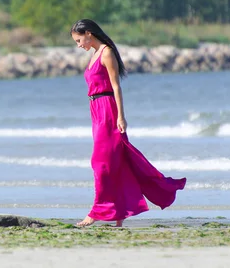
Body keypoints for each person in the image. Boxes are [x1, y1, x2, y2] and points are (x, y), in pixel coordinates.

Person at [70, 19, 186, 227]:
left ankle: (97, 211)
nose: (79, 45)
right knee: (117, 163)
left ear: (88, 33)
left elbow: (116, 87)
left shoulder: (106, 52)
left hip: (108, 109)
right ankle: (119, 213)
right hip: (96, 110)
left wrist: (121, 117)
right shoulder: (94, 54)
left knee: (101, 163)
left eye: (79, 40)